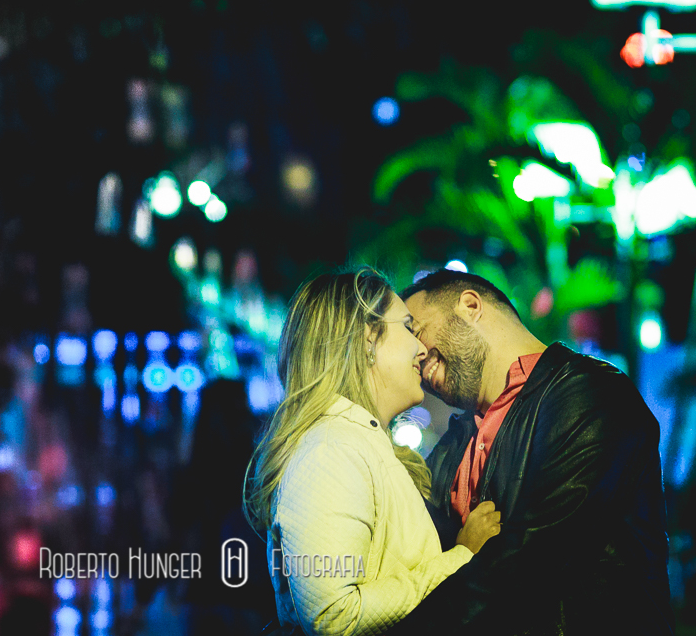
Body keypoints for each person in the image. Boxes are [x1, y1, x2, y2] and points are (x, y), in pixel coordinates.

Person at [398, 270, 672, 635]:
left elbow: (527, 562)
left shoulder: (589, 395)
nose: (414, 355)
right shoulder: (456, 442)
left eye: (415, 332)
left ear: (470, 305)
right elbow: (408, 557)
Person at [246, 268, 503, 635]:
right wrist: (460, 558)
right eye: (408, 328)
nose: (422, 347)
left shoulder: (354, 443)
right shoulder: (331, 450)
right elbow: (332, 615)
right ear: (368, 340)